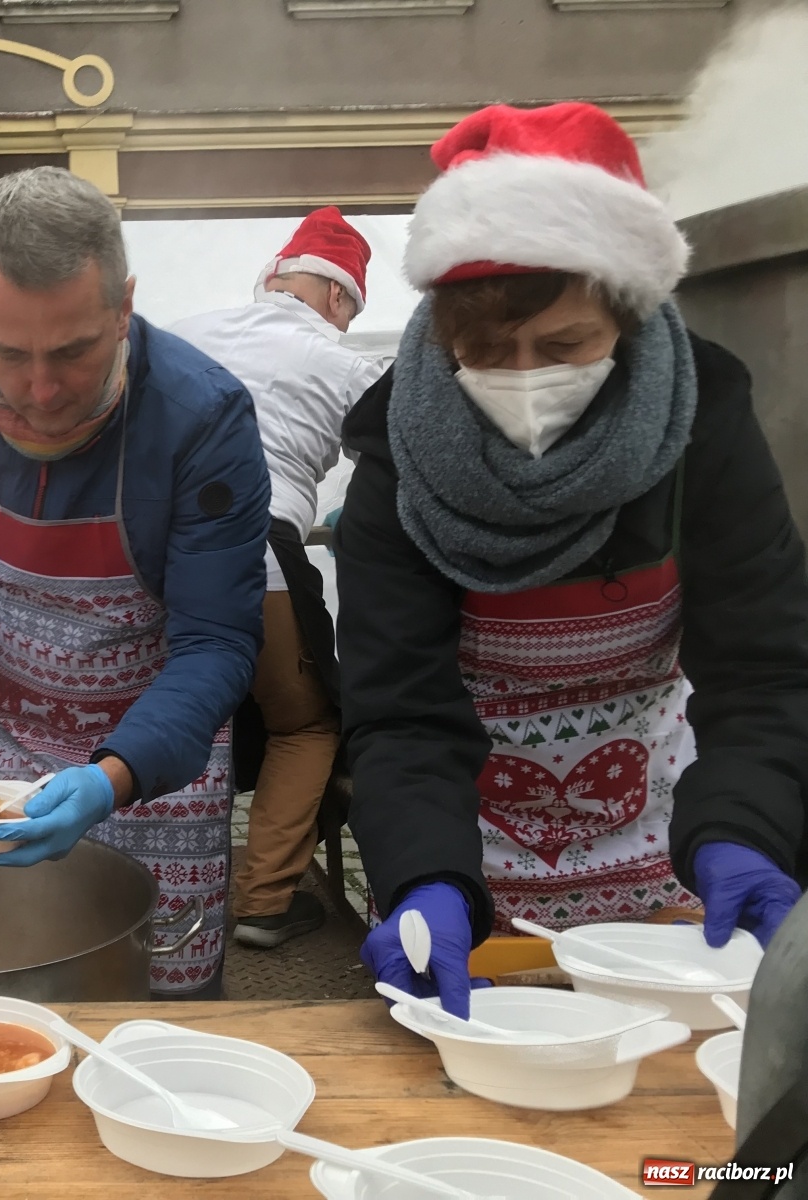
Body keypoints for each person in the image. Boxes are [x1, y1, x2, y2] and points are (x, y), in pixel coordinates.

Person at [336, 103, 808, 1018]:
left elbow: (763, 672)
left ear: (628, 318)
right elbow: (401, 713)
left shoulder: (703, 426)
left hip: (671, 850)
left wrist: (742, 827)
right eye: (484, 350)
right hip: (471, 861)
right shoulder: (397, 457)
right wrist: (425, 877)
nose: (524, 379)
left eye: (564, 346)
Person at [0, 167, 270, 998]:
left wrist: (113, 776)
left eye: (74, 352)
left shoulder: (201, 416)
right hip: (3, 753)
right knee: (2, 984)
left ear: (124, 306)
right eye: (9, 355)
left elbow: (218, 643)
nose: (42, 391)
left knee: (154, 1005)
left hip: (157, 764)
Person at [172, 208, 386, 948]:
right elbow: (404, 466)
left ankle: (145, 883)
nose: (347, 325)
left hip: (153, 560)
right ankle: (264, 901)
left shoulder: (180, 337)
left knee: (167, 712)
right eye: (351, 312)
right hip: (260, 553)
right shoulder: (347, 366)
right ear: (337, 296)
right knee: (306, 722)